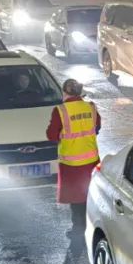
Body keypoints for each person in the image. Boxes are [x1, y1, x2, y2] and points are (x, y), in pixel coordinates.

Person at [46, 79, 101, 234]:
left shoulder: (61, 110)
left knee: (76, 198)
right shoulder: (90, 107)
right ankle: (92, 225)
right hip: (91, 159)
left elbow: (51, 135)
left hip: (71, 162)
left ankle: (78, 227)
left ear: (65, 92)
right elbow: (97, 127)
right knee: (89, 193)